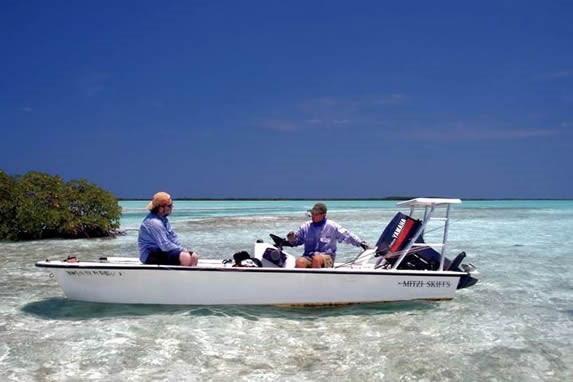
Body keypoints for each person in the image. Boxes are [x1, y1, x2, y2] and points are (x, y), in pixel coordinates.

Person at [287, 202, 369, 268]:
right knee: (299, 262)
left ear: (323, 215)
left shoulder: (332, 226)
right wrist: (291, 238)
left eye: (316, 214)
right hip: (308, 257)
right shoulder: (305, 226)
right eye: (312, 213)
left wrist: (361, 243)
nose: (313, 216)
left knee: (317, 259)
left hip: (327, 258)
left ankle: (317, 284)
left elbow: (347, 236)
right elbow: (297, 242)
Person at [138, 192, 199, 266]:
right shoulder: (154, 223)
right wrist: (182, 250)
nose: (172, 207)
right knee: (185, 257)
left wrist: (181, 249)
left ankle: (187, 276)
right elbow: (164, 245)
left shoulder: (164, 220)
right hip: (149, 255)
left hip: (162, 251)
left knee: (193, 256)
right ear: (161, 208)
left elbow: (173, 238)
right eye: (169, 205)